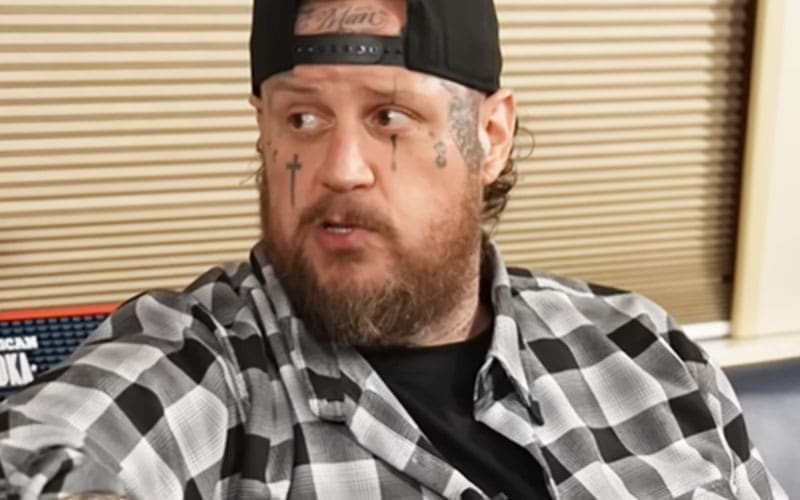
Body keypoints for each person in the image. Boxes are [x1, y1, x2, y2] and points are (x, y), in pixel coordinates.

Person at [0, 0, 787, 498]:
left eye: (390, 119)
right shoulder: (204, 367)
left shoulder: (645, 351)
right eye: (303, 120)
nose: (341, 168)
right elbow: (53, 449)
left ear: (491, 135)